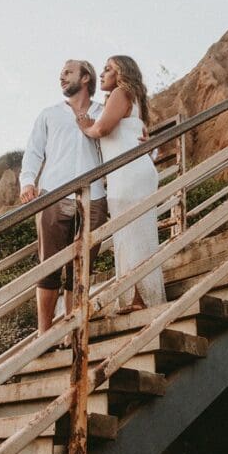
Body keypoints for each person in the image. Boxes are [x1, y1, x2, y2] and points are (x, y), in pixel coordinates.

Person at [19, 60, 109, 334]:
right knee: (49, 264)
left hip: (93, 195)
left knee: (81, 266)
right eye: (61, 73)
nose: (61, 77)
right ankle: (44, 334)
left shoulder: (103, 112)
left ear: (85, 78)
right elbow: (34, 151)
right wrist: (27, 182)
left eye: (68, 72)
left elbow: (122, 142)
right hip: (54, 193)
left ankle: (73, 329)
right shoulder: (49, 114)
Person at [77, 55, 166, 313]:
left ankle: (138, 298)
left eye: (108, 69)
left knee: (131, 232)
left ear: (122, 73)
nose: (103, 73)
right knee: (136, 232)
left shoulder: (121, 92)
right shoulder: (131, 98)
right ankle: (137, 297)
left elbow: (102, 129)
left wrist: (86, 125)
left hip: (128, 175)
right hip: (130, 173)